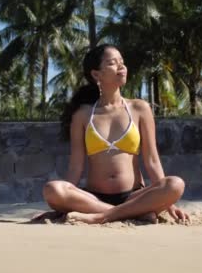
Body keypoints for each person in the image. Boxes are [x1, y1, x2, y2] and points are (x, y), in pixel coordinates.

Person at [41, 44, 190, 224]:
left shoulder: (139, 108)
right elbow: (75, 167)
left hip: (134, 195)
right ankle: (133, 213)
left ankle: (103, 216)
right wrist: (62, 202)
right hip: (93, 199)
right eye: (113, 63)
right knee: (53, 189)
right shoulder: (82, 115)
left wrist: (169, 203)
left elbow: (152, 160)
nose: (122, 67)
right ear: (96, 74)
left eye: (122, 62)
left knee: (175, 184)